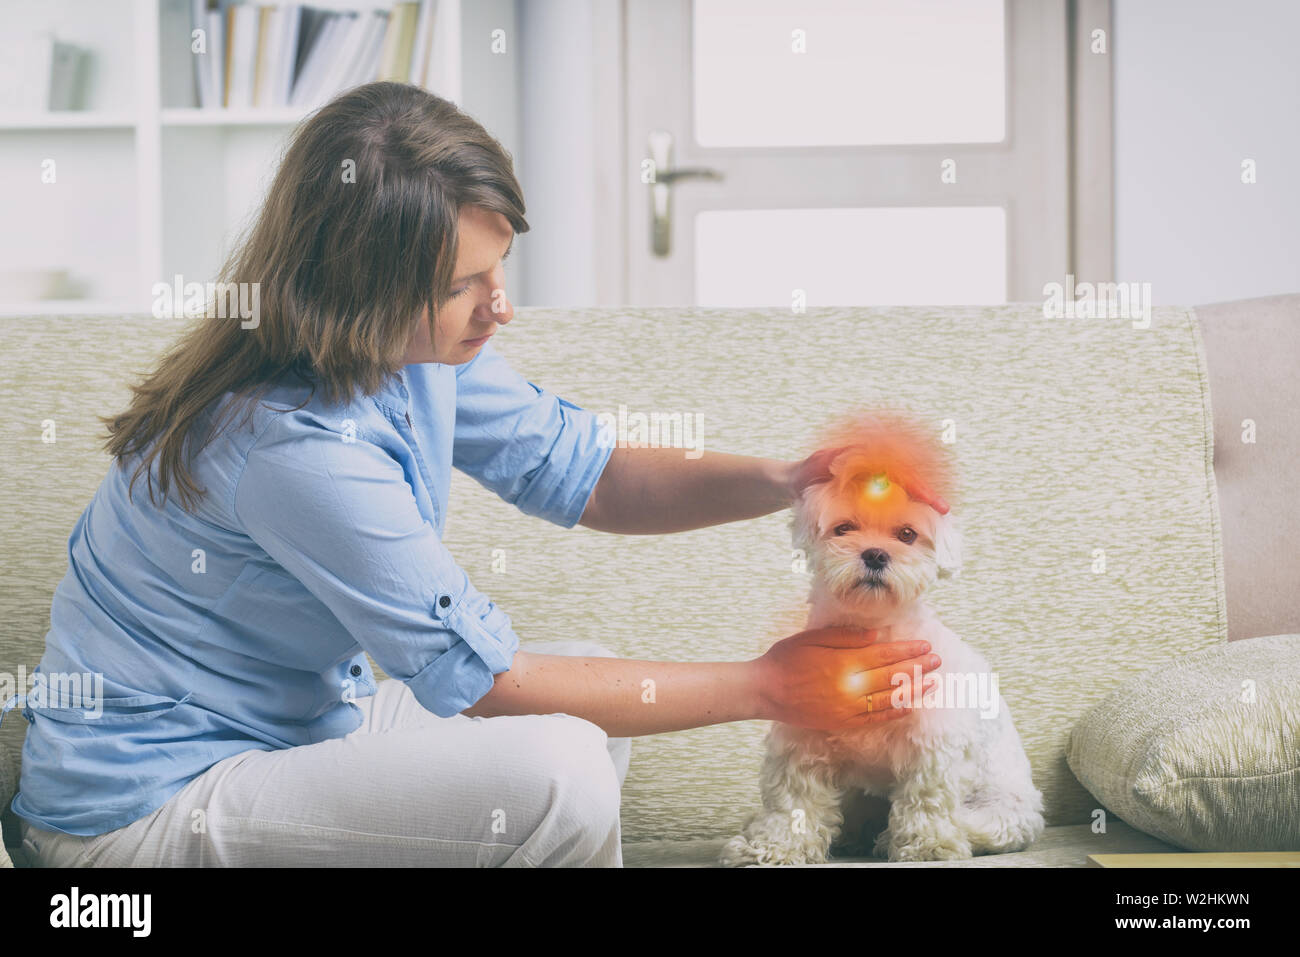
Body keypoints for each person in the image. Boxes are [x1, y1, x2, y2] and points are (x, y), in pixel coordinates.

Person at [3, 82, 944, 868]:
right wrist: (772, 685)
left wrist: (788, 477)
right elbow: (490, 679)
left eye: (500, 267)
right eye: (463, 285)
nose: (501, 307)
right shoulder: (293, 447)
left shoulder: (409, 355)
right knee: (560, 771)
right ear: (361, 289)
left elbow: (594, 475)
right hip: (144, 809)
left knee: (596, 702)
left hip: (295, 728)